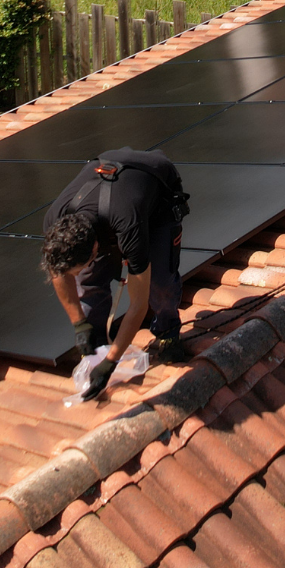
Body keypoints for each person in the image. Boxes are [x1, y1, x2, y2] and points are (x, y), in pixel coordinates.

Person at [40, 148, 190, 400]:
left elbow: (138, 304)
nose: (72, 273)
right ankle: (95, 343)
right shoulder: (55, 221)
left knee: (160, 283)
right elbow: (59, 272)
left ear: (95, 248)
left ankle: (168, 332)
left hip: (157, 194)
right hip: (112, 194)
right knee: (88, 282)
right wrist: (79, 324)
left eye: (82, 263)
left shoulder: (128, 223)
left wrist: (111, 362)